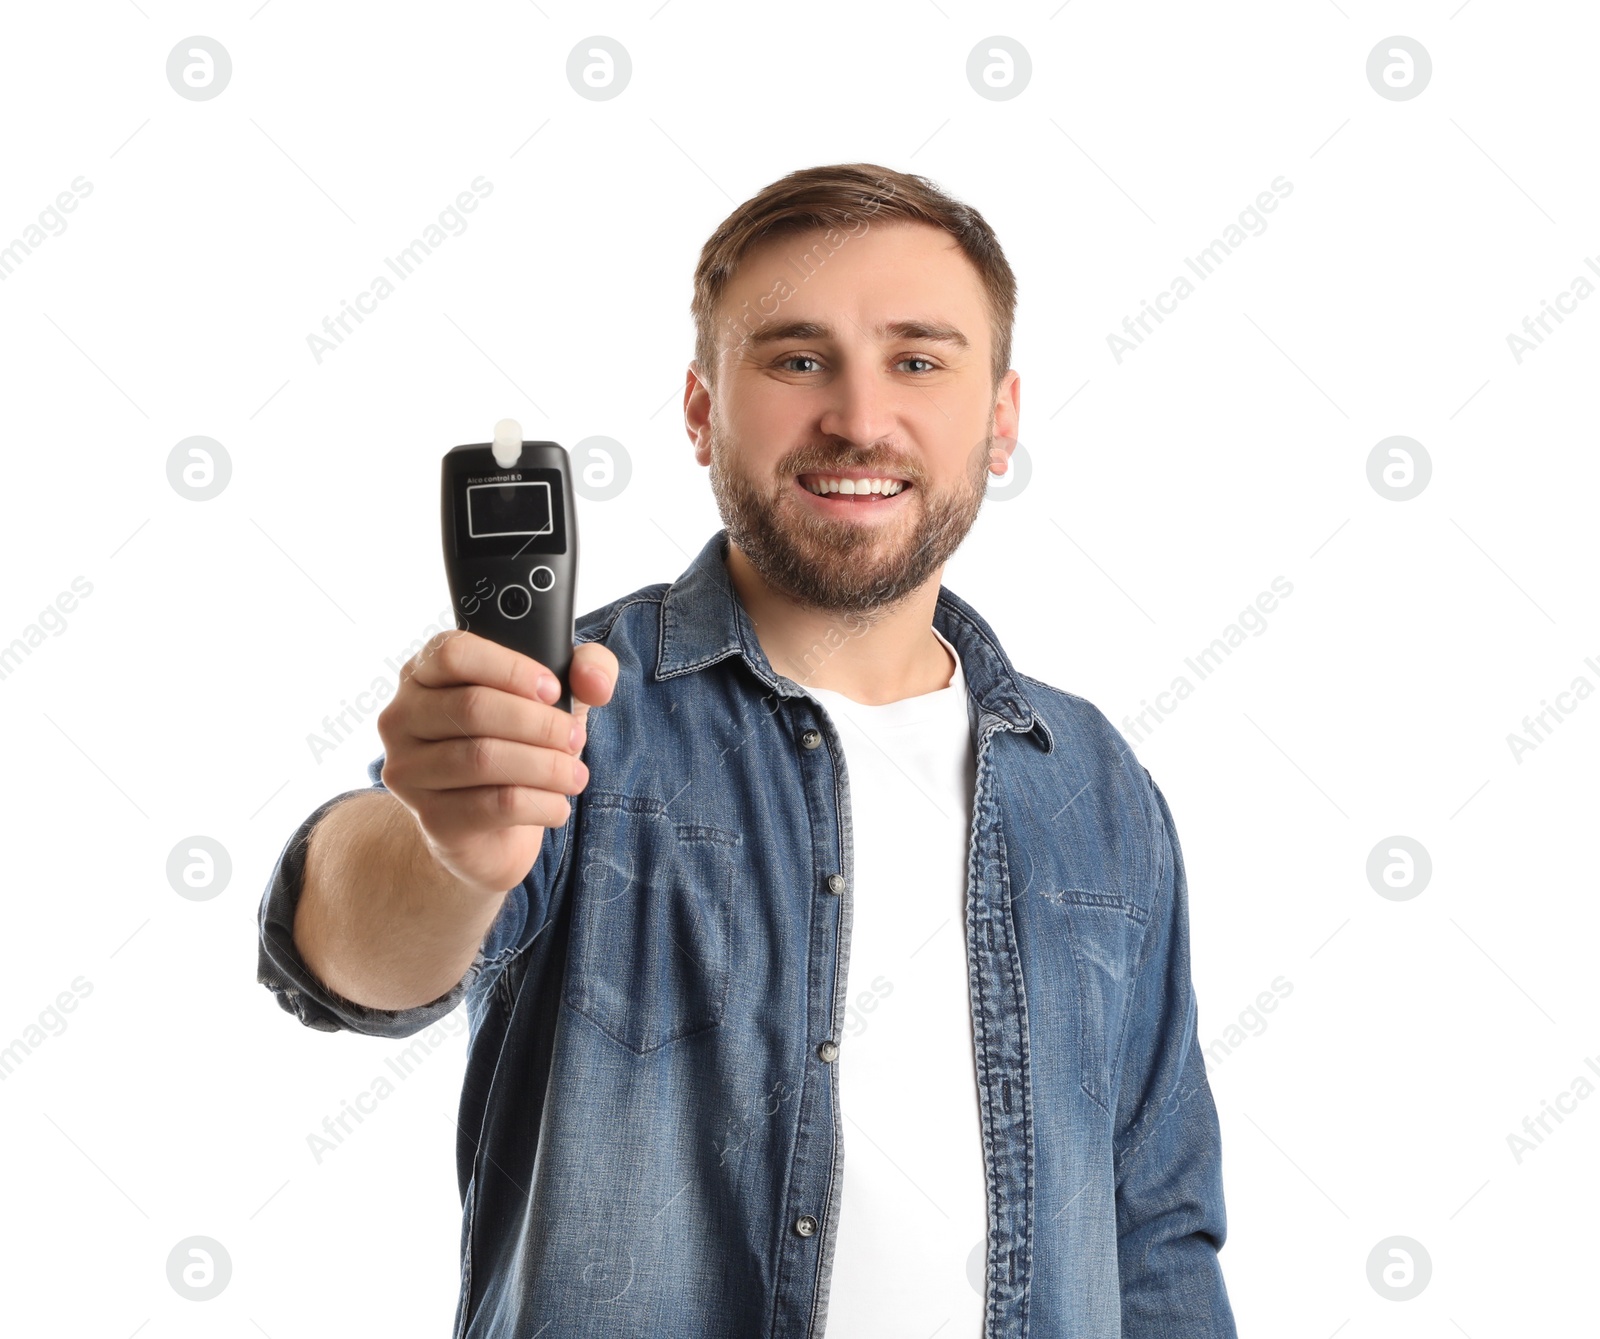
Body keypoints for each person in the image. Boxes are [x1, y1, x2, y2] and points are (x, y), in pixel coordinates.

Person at [257, 162, 1238, 1338]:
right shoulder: (575, 711)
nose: (860, 419)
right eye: (796, 359)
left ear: (1001, 418)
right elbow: (345, 960)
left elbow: (1157, 1227)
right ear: (700, 410)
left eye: (918, 361)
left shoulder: (1094, 784)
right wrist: (451, 854)